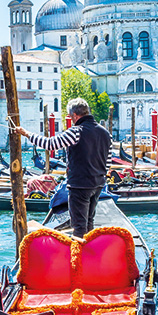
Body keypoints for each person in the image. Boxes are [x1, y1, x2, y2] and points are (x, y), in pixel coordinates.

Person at [15, 98, 111, 238]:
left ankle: (78, 257)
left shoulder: (76, 132)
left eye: (71, 117)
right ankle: (89, 251)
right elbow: (107, 162)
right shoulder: (105, 133)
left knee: (78, 225)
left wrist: (26, 134)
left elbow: (50, 144)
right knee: (89, 221)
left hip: (80, 185)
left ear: (75, 115)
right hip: (97, 185)